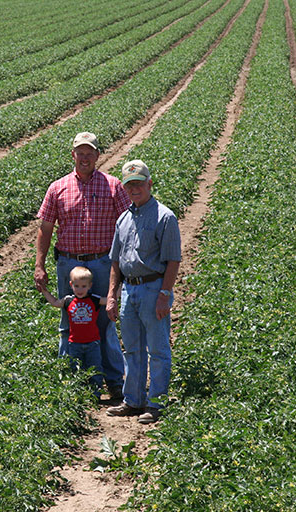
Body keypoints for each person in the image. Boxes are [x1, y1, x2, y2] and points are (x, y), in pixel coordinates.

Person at [35, 132, 130, 400]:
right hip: (68, 263)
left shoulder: (113, 187)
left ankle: (113, 381)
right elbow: (45, 228)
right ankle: (72, 380)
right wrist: (39, 264)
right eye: (80, 152)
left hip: (102, 261)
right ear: (73, 155)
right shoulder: (57, 187)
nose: (85, 157)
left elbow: (127, 225)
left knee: (105, 320)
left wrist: (124, 264)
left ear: (98, 156)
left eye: (90, 152)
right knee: (70, 320)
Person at [105, 160, 181, 424]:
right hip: (129, 290)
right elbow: (115, 261)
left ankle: (156, 402)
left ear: (149, 184)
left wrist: (165, 294)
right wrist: (113, 295)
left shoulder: (165, 217)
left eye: (139, 183)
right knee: (132, 348)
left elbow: (173, 260)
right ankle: (133, 400)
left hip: (152, 288)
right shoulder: (124, 219)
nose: (134, 189)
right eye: (129, 185)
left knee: (158, 349)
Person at [39, 266, 107, 399]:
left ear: (90, 286)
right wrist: (44, 291)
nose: (80, 289)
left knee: (95, 369)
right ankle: (78, 395)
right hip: (74, 343)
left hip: (93, 343)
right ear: (71, 285)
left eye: (83, 286)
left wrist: (121, 287)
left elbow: (109, 299)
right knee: (75, 369)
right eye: (76, 286)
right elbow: (54, 303)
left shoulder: (94, 299)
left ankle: (95, 395)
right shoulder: (68, 300)